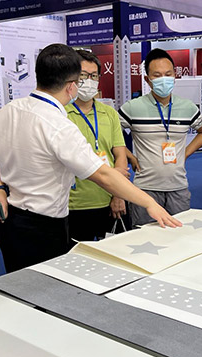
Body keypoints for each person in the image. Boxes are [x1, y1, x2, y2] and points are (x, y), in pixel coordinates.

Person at [0, 44, 180, 273]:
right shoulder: (58, 126)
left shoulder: (5, 113)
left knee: (17, 280)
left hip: (8, 219)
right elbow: (104, 175)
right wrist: (149, 203)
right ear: (71, 86)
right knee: (48, 284)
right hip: (44, 226)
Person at [118, 48, 202, 227]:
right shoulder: (132, 108)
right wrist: (130, 157)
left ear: (175, 76)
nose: (164, 79)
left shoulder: (187, 107)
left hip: (178, 186)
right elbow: (111, 136)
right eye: (157, 75)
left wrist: (185, 153)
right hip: (144, 189)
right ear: (147, 79)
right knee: (145, 234)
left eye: (168, 74)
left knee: (180, 235)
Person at [65, 49, 130, 248]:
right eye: (83, 75)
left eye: (94, 76)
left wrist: (118, 194)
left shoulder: (109, 113)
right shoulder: (61, 113)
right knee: (76, 259)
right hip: (73, 203)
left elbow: (120, 156)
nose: (89, 81)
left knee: (116, 254)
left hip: (109, 199)